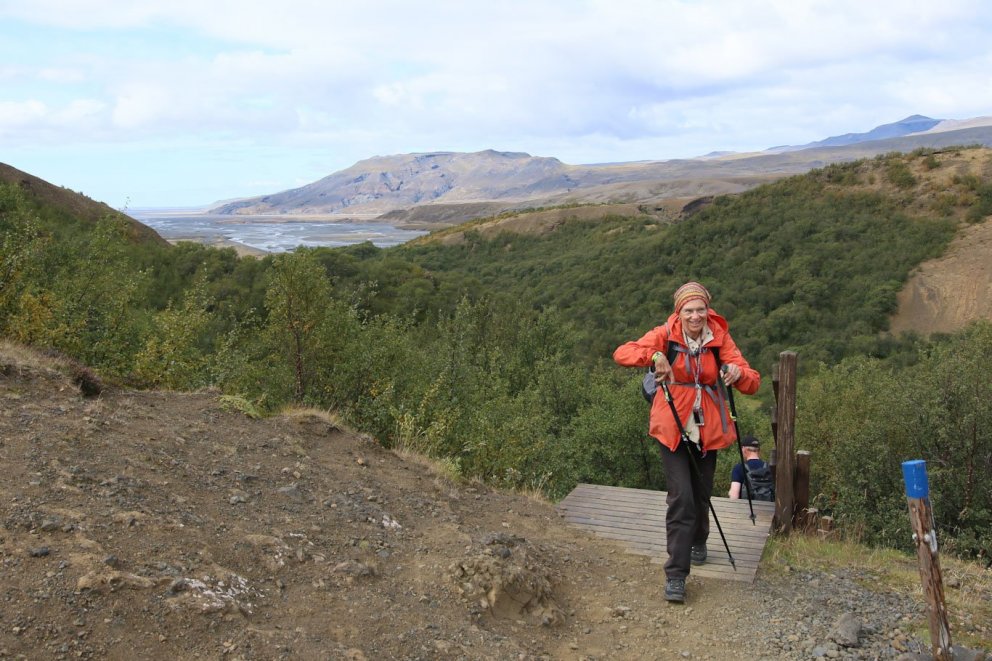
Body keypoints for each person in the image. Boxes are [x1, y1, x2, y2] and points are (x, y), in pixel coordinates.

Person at [613, 281, 759, 603]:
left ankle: (700, 538)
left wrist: (737, 373)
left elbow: (752, 380)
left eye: (700, 310)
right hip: (672, 426)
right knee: (681, 497)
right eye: (689, 311)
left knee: (701, 492)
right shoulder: (666, 334)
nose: (695, 316)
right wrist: (653, 355)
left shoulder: (719, 339)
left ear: (709, 310)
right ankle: (676, 575)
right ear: (678, 312)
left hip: (707, 429)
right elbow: (622, 352)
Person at [729, 434, 775, 501]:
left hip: (748, 509)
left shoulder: (739, 468)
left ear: (744, 449)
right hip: (768, 508)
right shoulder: (769, 468)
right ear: (758, 450)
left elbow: (734, 495)